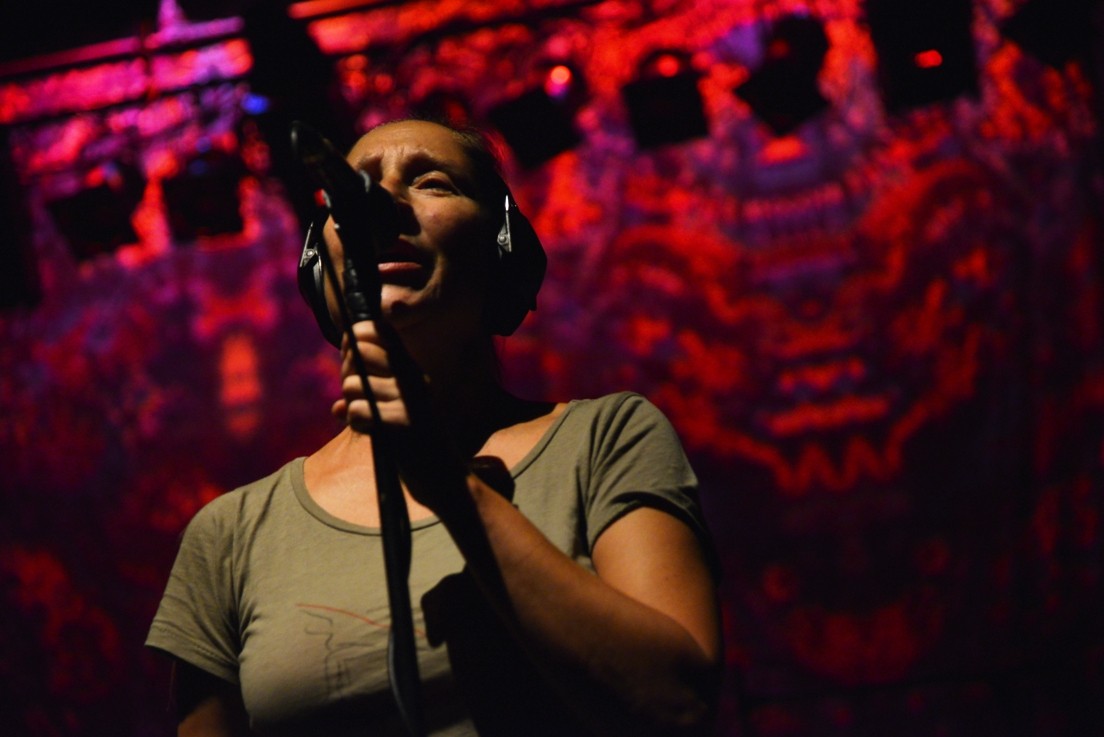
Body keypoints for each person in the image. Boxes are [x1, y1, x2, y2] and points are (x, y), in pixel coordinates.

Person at [146, 118, 722, 737]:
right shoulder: (230, 535)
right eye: (357, 190)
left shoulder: (606, 439)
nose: (383, 205)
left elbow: (677, 706)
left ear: (503, 249)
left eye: (433, 183)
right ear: (319, 268)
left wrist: (451, 484)